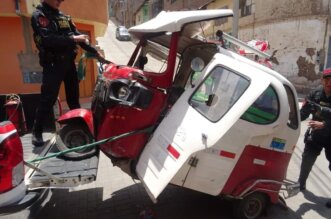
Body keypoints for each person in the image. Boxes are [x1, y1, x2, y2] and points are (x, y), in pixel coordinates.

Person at [30, 0, 107, 146]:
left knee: (74, 99)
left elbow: (80, 38)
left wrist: (95, 52)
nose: (60, 1)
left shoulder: (63, 17)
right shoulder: (39, 15)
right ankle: (37, 132)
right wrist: (73, 38)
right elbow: (48, 40)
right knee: (48, 100)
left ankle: (80, 127)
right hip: (53, 65)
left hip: (69, 64)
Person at [298, 68, 331, 208]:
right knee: (307, 160)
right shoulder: (315, 94)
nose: (330, 82)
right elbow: (304, 113)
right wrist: (291, 118)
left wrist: (324, 124)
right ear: (322, 80)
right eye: (327, 79)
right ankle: (300, 183)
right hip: (316, 136)